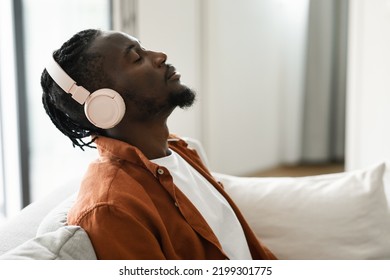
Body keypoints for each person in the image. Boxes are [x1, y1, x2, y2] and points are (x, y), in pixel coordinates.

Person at [41, 29, 276, 260]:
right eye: (136, 58)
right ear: (105, 105)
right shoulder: (112, 209)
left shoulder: (178, 150)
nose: (160, 55)